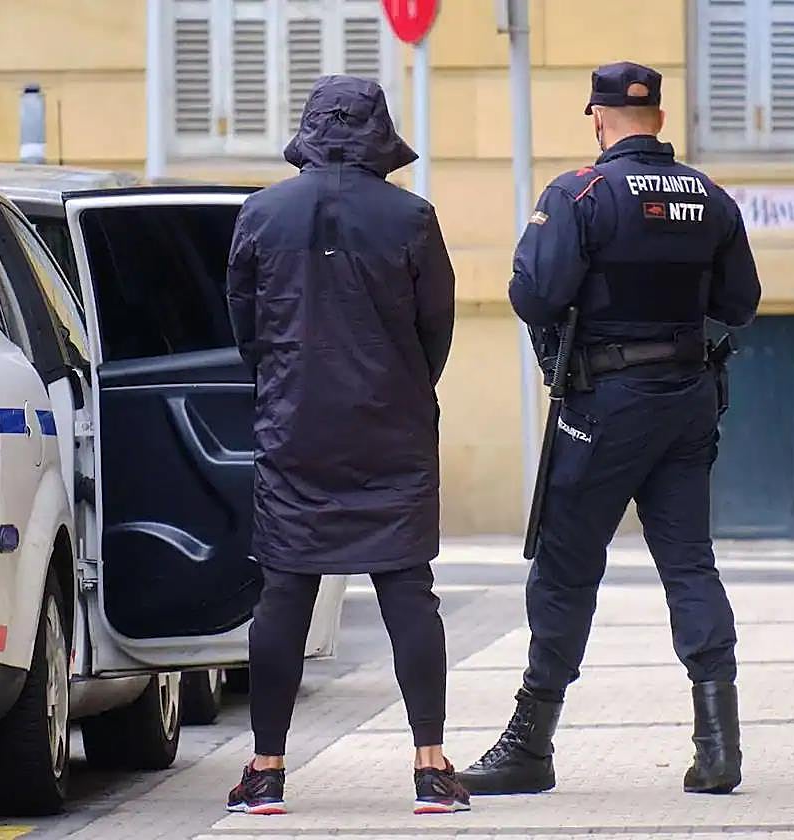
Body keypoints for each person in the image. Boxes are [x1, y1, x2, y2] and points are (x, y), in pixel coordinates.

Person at [458, 62, 760, 797]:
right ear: (658, 115)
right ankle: (719, 747)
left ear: (598, 116)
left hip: (607, 401)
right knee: (690, 563)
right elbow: (741, 301)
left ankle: (532, 743)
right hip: (688, 397)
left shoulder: (579, 194)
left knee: (565, 565)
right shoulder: (710, 196)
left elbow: (534, 295)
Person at [223, 75, 467, 816]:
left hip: (295, 427)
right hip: (391, 427)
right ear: (378, 131)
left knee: (285, 592)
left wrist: (284, 385)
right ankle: (430, 769)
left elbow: (246, 331)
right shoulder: (412, 217)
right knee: (407, 591)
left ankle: (265, 771)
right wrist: (401, 383)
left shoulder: (260, 214)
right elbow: (437, 330)